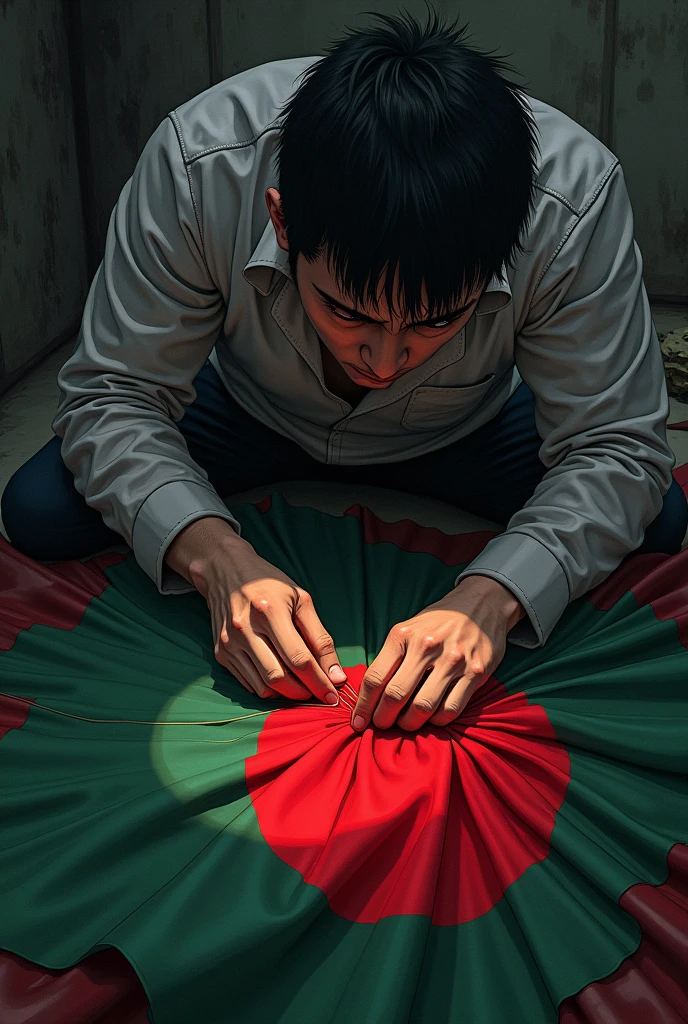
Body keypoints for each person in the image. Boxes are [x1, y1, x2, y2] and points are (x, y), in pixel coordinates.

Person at [2, 7, 685, 735]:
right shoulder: (202, 162)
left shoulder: (570, 204)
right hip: (245, 412)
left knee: (658, 519)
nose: (383, 363)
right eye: (348, 312)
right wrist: (215, 555)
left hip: (470, 428)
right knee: (41, 508)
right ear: (283, 221)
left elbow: (617, 445)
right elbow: (111, 393)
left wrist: (492, 597)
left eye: (434, 322)